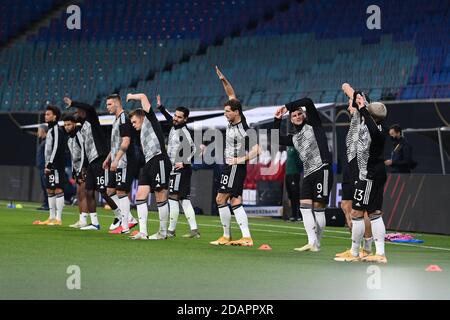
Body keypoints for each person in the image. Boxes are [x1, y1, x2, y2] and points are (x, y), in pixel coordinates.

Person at [209, 66, 261, 247]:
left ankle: (226, 236)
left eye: (228, 112)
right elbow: (232, 95)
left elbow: (257, 150)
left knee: (220, 199)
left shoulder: (245, 128)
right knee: (235, 200)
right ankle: (246, 237)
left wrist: (239, 160)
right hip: (230, 166)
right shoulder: (235, 118)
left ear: (236, 112)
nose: (225, 115)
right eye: (224, 112)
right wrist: (223, 80)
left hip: (234, 166)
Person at [273, 98, 333, 252]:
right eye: (294, 115)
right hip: (308, 174)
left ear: (304, 115)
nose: (297, 116)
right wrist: (277, 119)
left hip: (322, 169)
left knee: (319, 207)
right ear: (291, 120)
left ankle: (317, 243)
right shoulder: (293, 138)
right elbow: (275, 138)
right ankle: (311, 242)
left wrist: (287, 106)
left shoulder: (314, 125)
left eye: (299, 114)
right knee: (305, 208)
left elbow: (308, 101)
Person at [334, 92, 388, 263]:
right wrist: (351, 92)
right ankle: (375, 253)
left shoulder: (376, 131)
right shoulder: (373, 126)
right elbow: (358, 102)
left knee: (360, 213)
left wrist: (362, 107)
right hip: (368, 173)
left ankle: (357, 252)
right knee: (373, 213)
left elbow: (368, 122)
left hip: (368, 175)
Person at [65, 96, 122, 231]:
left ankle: (120, 215)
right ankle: (95, 223)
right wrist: (84, 166)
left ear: (84, 112)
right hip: (91, 163)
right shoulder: (83, 128)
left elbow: (90, 108)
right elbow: (85, 149)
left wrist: (73, 103)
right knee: (88, 191)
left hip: (100, 159)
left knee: (104, 191)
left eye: (78, 111)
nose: (76, 114)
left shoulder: (92, 120)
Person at [127, 93, 172, 240]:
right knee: (140, 196)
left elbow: (144, 97)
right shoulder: (141, 133)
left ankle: (162, 232)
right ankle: (143, 232)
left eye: (134, 122)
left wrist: (132, 96)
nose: (133, 125)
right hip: (148, 164)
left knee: (160, 196)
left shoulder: (149, 119)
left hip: (159, 159)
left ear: (142, 116)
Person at [335, 85, 373, 259]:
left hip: (360, 168)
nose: (348, 105)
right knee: (346, 207)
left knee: (362, 211)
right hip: (350, 167)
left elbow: (356, 96)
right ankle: (354, 245)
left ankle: (366, 247)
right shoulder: (354, 120)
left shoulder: (361, 116)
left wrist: (346, 87)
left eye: (351, 102)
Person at [156, 95, 200, 239]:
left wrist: (185, 162)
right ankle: (194, 230)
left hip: (181, 169)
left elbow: (195, 149)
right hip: (178, 169)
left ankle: (171, 230)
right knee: (183, 199)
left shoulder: (184, 132)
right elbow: (169, 118)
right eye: (175, 115)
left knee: (173, 197)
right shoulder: (175, 125)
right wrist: (161, 108)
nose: (175, 118)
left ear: (185, 119)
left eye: (179, 117)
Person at [103, 94, 138, 234]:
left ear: (117, 104)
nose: (107, 107)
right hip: (117, 159)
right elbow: (116, 144)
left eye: (109, 104)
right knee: (110, 191)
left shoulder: (124, 118)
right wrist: (108, 158)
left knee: (121, 191)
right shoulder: (117, 119)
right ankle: (129, 218)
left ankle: (125, 226)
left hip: (125, 161)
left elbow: (126, 141)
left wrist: (116, 160)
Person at [33, 106, 67, 226]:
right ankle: (51, 217)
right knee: (49, 189)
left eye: (48, 114)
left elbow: (56, 147)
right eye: (45, 114)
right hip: (50, 165)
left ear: (55, 116)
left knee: (58, 189)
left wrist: (50, 164)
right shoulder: (51, 129)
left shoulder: (56, 129)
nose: (45, 116)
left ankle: (58, 218)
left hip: (56, 165)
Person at [62, 114, 89, 228]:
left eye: (69, 124)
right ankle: (81, 220)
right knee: (79, 194)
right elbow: (73, 158)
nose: (67, 127)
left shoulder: (79, 135)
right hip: (78, 169)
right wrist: (74, 170)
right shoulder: (69, 140)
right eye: (65, 125)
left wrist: (82, 169)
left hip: (85, 169)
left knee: (84, 194)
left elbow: (84, 153)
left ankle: (85, 220)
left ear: (74, 124)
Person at [285, 146, 303, 222]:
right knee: (291, 195)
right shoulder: (288, 147)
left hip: (294, 174)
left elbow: (300, 161)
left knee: (296, 195)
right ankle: (293, 215)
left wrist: (298, 171)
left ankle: (300, 215)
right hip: (288, 174)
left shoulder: (296, 147)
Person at [36, 125, 49, 211]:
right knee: (44, 187)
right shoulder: (43, 141)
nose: (38, 133)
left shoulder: (47, 141)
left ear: (43, 131)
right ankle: (45, 204)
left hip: (45, 168)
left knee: (46, 187)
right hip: (41, 168)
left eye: (39, 131)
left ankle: (48, 205)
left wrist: (46, 166)